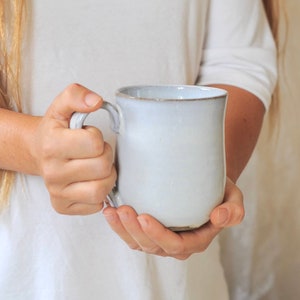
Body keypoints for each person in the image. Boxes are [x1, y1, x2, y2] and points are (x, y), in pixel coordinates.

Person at [0, 1, 277, 299]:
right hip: (24, 270)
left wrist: (206, 187)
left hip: (176, 282)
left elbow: (239, 62)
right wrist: (31, 146)